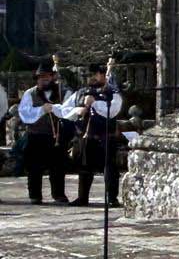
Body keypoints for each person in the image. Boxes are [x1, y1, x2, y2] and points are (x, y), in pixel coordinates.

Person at [68, 63, 126, 208]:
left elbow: (112, 111)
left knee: (109, 167)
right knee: (84, 167)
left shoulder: (113, 92)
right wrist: (77, 110)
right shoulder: (81, 93)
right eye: (89, 75)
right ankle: (82, 197)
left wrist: (95, 103)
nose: (91, 78)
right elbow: (66, 108)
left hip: (106, 135)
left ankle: (112, 198)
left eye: (94, 74)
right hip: (87, 135)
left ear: (103, 75)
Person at [17, 65, 69, 205]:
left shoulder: (62, 92)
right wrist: (41, 110)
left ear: (52, 77)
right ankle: (35, 195)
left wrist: (55, 108)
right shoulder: (30, 93)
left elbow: (68, 110)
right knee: (34, 167)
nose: (44, 80)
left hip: (56, 136)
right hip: (36, 135)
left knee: (58, 167)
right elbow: (24, 113)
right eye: (41, 77)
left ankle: (58, 194)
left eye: (46, 77)